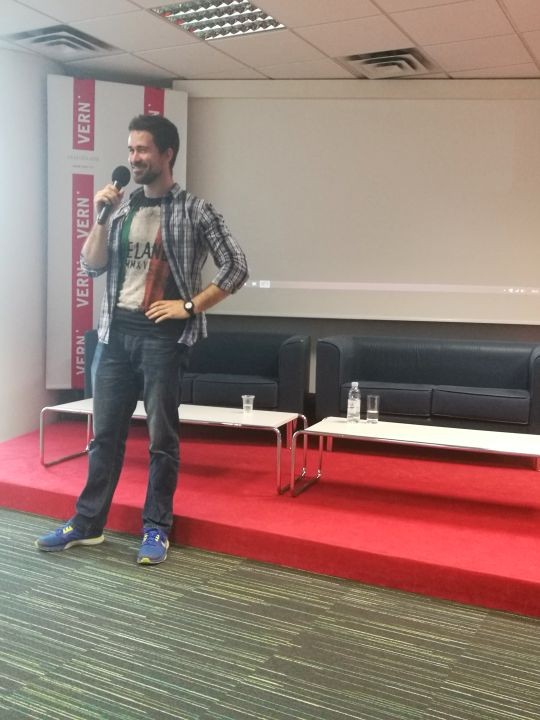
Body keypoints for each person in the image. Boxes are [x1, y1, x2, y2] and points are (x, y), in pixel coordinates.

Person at [36, 114, 248, 565]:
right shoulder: (122, 209)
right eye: (131, 149)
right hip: (114, 337)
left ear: (167, 154)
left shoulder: (195, 209)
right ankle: (88, 524)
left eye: (143, 150)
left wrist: (189, 305)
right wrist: (101, 218)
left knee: (161, 440)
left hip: (163, 340)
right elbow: (91, 266)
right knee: (105, 437)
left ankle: (155, 527)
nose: (134, 158)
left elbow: (236, 266)